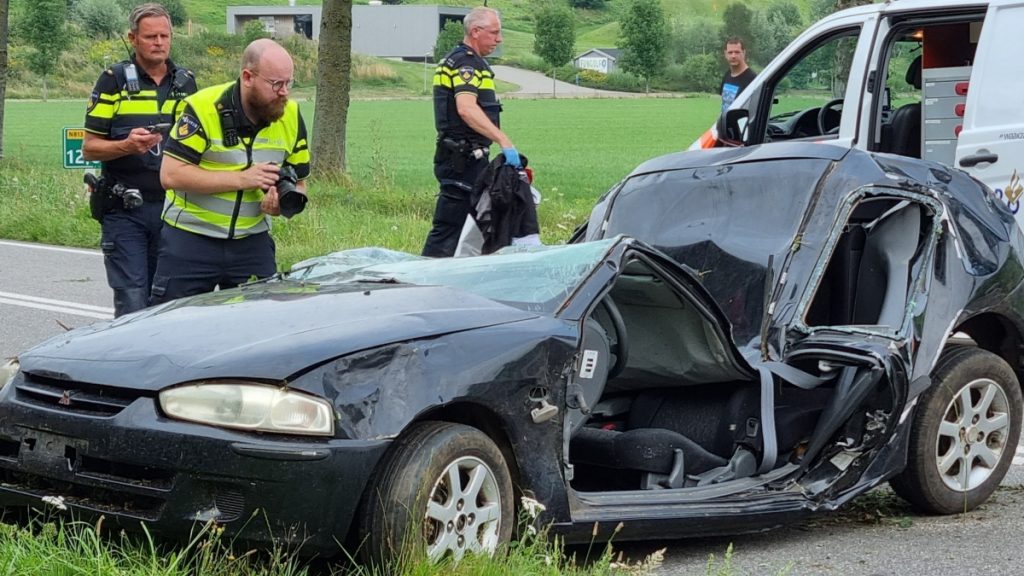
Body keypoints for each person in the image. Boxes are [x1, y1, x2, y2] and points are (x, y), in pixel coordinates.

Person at [151, 38, 310, 304]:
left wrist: (281, 204)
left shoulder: (290, 114)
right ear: (248, 77)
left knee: (261, 330)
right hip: (191, 239)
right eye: (276, 84)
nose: (284, 92)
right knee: (173, 330)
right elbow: (170, 175)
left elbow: (301, 182)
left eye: (289, 83)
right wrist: (243, 178)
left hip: (251, 241)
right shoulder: (202, 107)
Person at [83, 3, 197, 317]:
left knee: (167, 303)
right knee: (132, 302)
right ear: (133, 39)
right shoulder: (113, 81)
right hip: (125, 210)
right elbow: (90, 148)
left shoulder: (186, 84)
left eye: (164, 35)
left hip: (173, 210)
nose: (159, 42)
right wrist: (127, 146)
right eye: (150, 37)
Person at [423, 6, 521, 258]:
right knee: (449, 230)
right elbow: (466, 108)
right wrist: (504, 141)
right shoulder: (466, 63)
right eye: (494, 33)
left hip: (468, 158)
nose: (499, 39)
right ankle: (423, 282)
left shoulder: (467, 61)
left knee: (472, 227)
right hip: (461, 159)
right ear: (476, 31)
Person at [720, 37, 756, 113]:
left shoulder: (752, 79)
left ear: (744, 53)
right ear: (725, 54)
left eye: (737, 52)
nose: (733, 56)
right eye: (730, 52)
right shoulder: (727, 75)